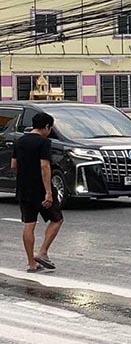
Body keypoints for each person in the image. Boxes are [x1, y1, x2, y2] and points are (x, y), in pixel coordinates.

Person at [12, 112, 63, 273]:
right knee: (57, 219)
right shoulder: (44, 142)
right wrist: (48, 192)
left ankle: (31, 263)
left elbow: (14, 165)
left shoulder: (20, 141)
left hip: (24, 188)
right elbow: (44, 166)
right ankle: (43, 252)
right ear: (47, 127)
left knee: (29, 224)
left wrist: (23, 178)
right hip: (40, 188)